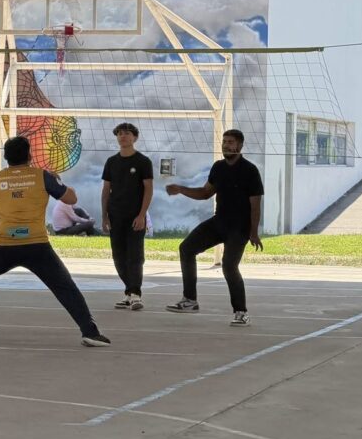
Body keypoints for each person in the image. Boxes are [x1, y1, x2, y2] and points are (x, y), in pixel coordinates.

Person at [0, 136, 110, 347]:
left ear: (6, 157)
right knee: (65, 287)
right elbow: (71, 199)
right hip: (37, 245)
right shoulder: (43, 176)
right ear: (30, 156)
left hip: (5, 245)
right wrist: (58, 181)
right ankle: (90, 332)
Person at [165, 129, 264, 327]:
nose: (226, 145)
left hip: (239, 227)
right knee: (186, 248)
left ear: (240, 146)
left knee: (229, 266)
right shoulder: (218, 167)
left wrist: (253, 232)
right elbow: (205, 193)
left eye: (230, 142)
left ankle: (241, 312)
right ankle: (190, 300)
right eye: (224, 141)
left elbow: (255, 204)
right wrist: (181, 189)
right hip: (220, 222)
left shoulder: (250, 170)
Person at [101, 122, 154, 310]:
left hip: (135, 216)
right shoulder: (111, 162)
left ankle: (135, 294)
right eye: (120, 134)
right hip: (115, 216)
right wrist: (104, 216)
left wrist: (142, 215)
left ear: (135, 137)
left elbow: (148, 189)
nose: (123, 136)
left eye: (127, 133)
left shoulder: (143, 161)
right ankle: (129, 293)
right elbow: (106, 190)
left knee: (135, 256)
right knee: (118, 257)